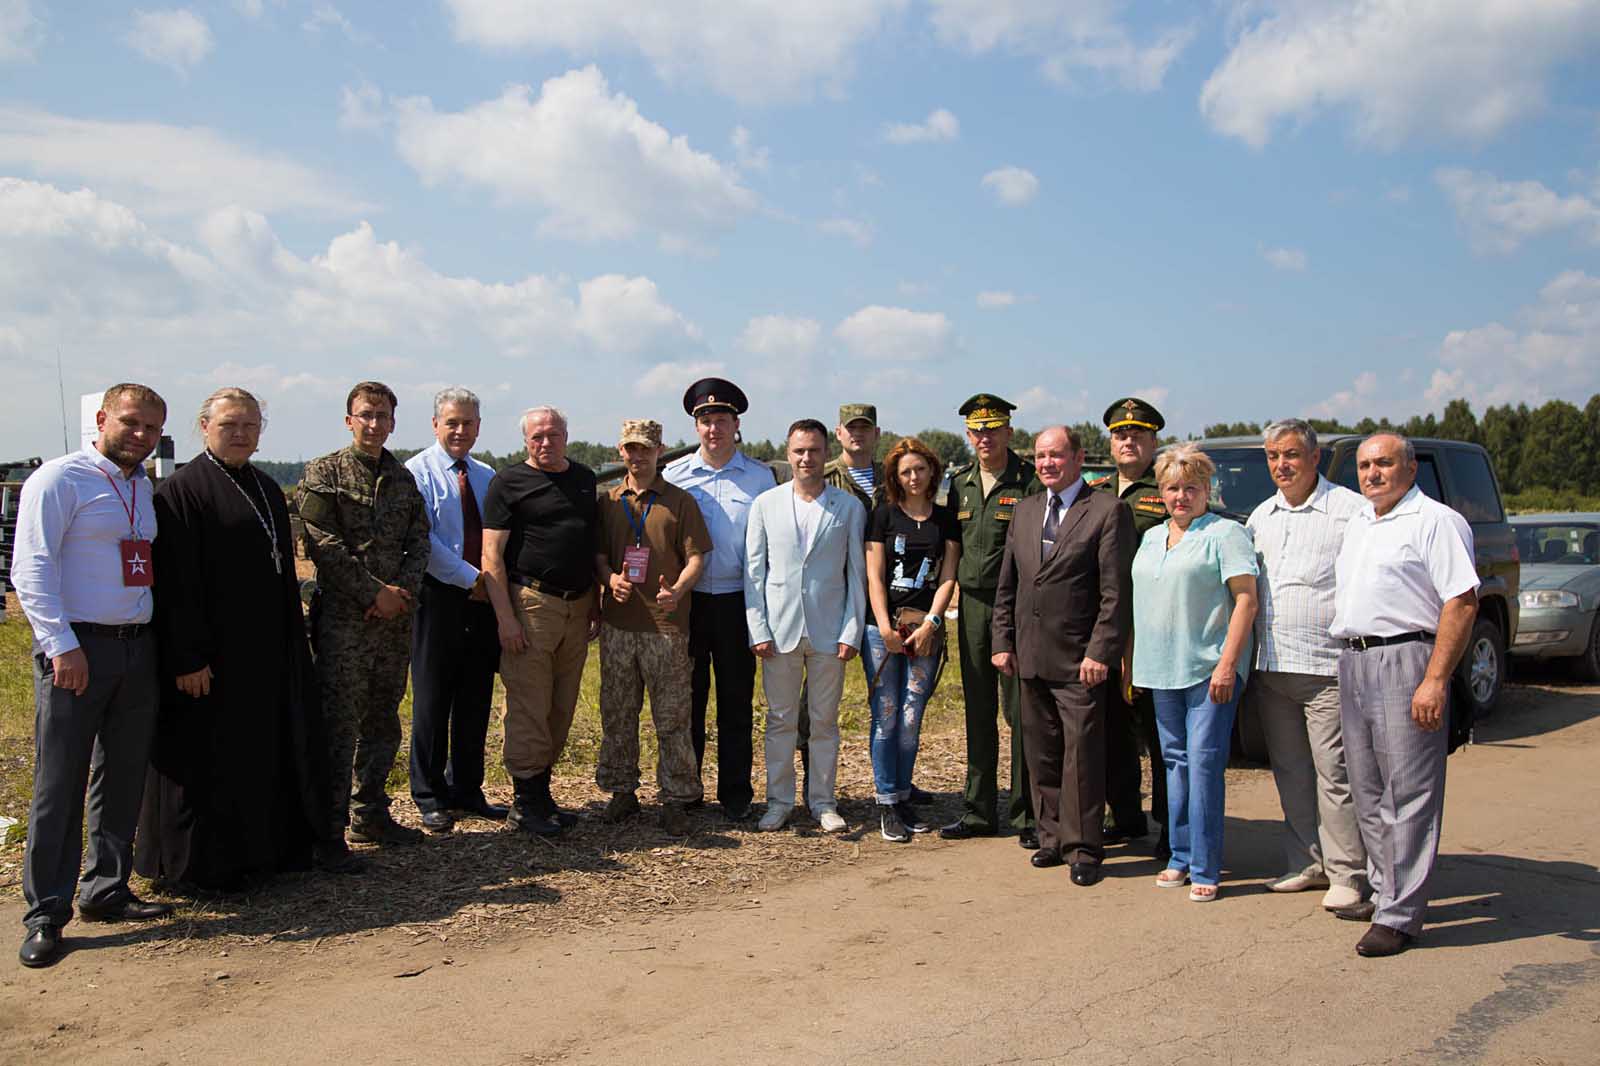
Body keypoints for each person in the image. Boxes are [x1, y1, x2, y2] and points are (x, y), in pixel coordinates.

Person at [136, 386, 329, 892]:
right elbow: (176, 585)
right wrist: (188, 656)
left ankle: (260, 853)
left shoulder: (265, 487)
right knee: (209, 760)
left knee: (259, 754)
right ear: (205, 428)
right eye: (229, 426)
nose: (241, 434)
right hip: (209, 659)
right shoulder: (181, 491)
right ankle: (201, 868)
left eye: (249, 426)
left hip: (265, 652)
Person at [12, 383, 175, 968]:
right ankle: (46, 914)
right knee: (60, 783)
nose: (141, 436)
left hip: (135, 649)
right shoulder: (59, 480)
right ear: (102, 418)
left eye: (152, 429)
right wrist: (61, 646)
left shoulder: (140, 487)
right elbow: (30, 567)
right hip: (78, 650)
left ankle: (106, 888)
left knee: (123, 775)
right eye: (131, 424)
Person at [1329, 433, 1477, 957]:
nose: (1372, 473)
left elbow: (1460, 602)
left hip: (1406, 658)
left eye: (1384, 463)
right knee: (1367, 787)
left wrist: (1435, 679)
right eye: (1365, 465)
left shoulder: (1435, 521)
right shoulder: (1362, 523)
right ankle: (1384, 888)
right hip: (1354, 658)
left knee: (1408, 791)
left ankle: (1401, 915)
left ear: (1410, 468)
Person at [992, 427, 1134, 885]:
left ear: (1077, 458)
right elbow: (1008, 586)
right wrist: (1002, 641)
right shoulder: (1027, 509)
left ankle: (1084, 848)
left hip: (1081, 662)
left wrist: (1101, 651)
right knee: (1042, 753)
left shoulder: (1108, 511)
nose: (1047, 463)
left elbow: (1115, 594)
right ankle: (1050, 837)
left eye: (1056, 455)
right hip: (1030, 656)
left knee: (1082, 757)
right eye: (1040, 456)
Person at [1246, 419, 1369, 911]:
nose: (1282, 465)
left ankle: (1347, 873)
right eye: (1274, 456)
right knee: (1291, 771)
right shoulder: (1261, 516)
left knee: (1335, 774)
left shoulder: (1349, 511)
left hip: (1328, 668)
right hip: (1273, 666)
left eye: (1292, 454)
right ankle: (1306, 862)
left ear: (1315, 458)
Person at [301, 381, 430, 849]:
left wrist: (401, 594)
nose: (374, 424)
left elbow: (419, 541)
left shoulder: (402, 478)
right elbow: (323, 545)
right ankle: (328, 830)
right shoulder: (324, 473)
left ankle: (370, 813)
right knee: (340, 725)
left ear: (393, 423)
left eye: (383, 417)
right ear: (349, 419)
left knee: (383, 719)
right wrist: (374, 594)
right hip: (344, 621)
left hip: (394, 624)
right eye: (365, 415)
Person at [1131, 444, 1258, 902]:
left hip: (1209, 668)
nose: (1181, 496)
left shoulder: (1226, 534)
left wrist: (1228, 662)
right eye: (1171, 488)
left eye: (1191, 488)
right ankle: (1180, 855)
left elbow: (1246, 599)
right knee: (1175, 764)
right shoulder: (1152, 538)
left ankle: (1206, 863)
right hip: (1160, 669)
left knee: (1204, 763)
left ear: (1207, 490)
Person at [482, 405, 600, 836]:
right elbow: (491, 556)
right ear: (525, 441)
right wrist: (505, 617)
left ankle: (543, 795)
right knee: (529, 705)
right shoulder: (508, 483)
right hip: (531, 605)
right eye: (536, 437)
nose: (545, 443)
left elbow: (590, 546)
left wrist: (596, 602)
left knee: (561, 706)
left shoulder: (584, 480)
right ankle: (525, 805)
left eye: (552, 435)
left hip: (577, 604)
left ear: (566, 435)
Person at [744, 419, 867, 833]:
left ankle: (823, 802)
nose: (806, 458)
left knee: (824, 722)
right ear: (789, 452)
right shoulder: (767, 504)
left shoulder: (847, 507)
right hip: (779, 631)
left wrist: (851, 630)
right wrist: (757, 628)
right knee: (779, 720)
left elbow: (856, 574)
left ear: (824, 451)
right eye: (799, 451)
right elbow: (754, 574)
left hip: (829, 630)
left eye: (813, 450)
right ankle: (778, 801)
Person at [663, 378, 777, 821]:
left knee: (735, 702)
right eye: (706, 421)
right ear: (696, 427)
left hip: (736, 601)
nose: (714, 429)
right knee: (688, 700)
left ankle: (735, 795)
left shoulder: (760, 478)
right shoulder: (675, 477)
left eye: (722, 420)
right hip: (690, 604)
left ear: (736, 425)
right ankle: (687, 790)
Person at [594, 419, 711, 835]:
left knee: (673, 716)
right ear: (620, 450)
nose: (637, 456)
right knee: (618, 712)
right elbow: (599, 556)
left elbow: (697, 558)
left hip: (667, 627)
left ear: (660, 450)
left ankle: (676, 797)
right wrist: (610, 580)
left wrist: (677, 590)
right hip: (619, 627)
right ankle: (621, 792)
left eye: (645, 448)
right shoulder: (607, 502)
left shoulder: (680, 502)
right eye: (630, 449)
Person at [404, 387, 505, 834]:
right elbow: (423, 543)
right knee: (431, 698)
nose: (460, 430)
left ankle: (467, 787)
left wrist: (491, 587)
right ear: (435, 425)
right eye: (452, 422)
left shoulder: (487, 476)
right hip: (439, 597)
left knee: (474, 696)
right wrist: (474, 580)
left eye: (468, 423)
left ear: (479, 428)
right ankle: (428, 794)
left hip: (484, 602)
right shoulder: (417, 473)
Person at [940, 394, 1040, 846]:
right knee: (977, 709)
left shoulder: (1029, 481)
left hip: (1018, 605)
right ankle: (979, 809)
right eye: (977, 430)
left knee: (1020, 710)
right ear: (968, 435)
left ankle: (1028, 813)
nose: (985, 437)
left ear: (1009, 432)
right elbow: (953, 548)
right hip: (974, 605)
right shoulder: (959, 483)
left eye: (993, 428)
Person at [863, 437, 959, 842]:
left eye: (920, 469)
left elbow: (949, 575)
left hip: (925, 629)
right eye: (905, 472)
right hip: (881, 631)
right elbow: (874, 575)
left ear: (932, 472)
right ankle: (886, 800)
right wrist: (884, 627)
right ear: (895, 478)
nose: (914, 477)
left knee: (910, 717)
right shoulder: (882, 516)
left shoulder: (945, 519)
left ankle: (903, 793)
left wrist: (932, 623)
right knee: (885, 716)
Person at [1089, 396, 1171, 855]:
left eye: (1138, 434)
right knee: (1112, 726)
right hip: (1107, 625)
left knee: (1159, 731)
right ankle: (1124, 814)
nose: (1128, 441)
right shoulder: (1097, 491)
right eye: (1121, 434)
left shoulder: (1169, 489)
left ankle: (1169, 824)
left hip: (1154, 626)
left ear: (1154, 440)